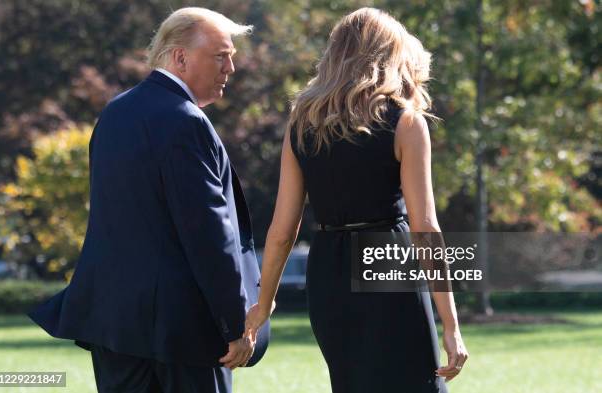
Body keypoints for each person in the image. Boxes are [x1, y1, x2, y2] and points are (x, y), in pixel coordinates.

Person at [28, 7, 269, 393]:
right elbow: (208, 235)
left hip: (115, 327)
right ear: (180, 57)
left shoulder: (114, 112)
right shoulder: (185, 120)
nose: (231, 68)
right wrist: (234, 324)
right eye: (221, 56)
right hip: (181, 333)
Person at [245, 8, 468, 393]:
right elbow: (425, 227)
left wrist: (264, 305)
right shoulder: (406, 122)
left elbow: (282, 231)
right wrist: (451, 325)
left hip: (328, 272)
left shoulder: (302, 122)